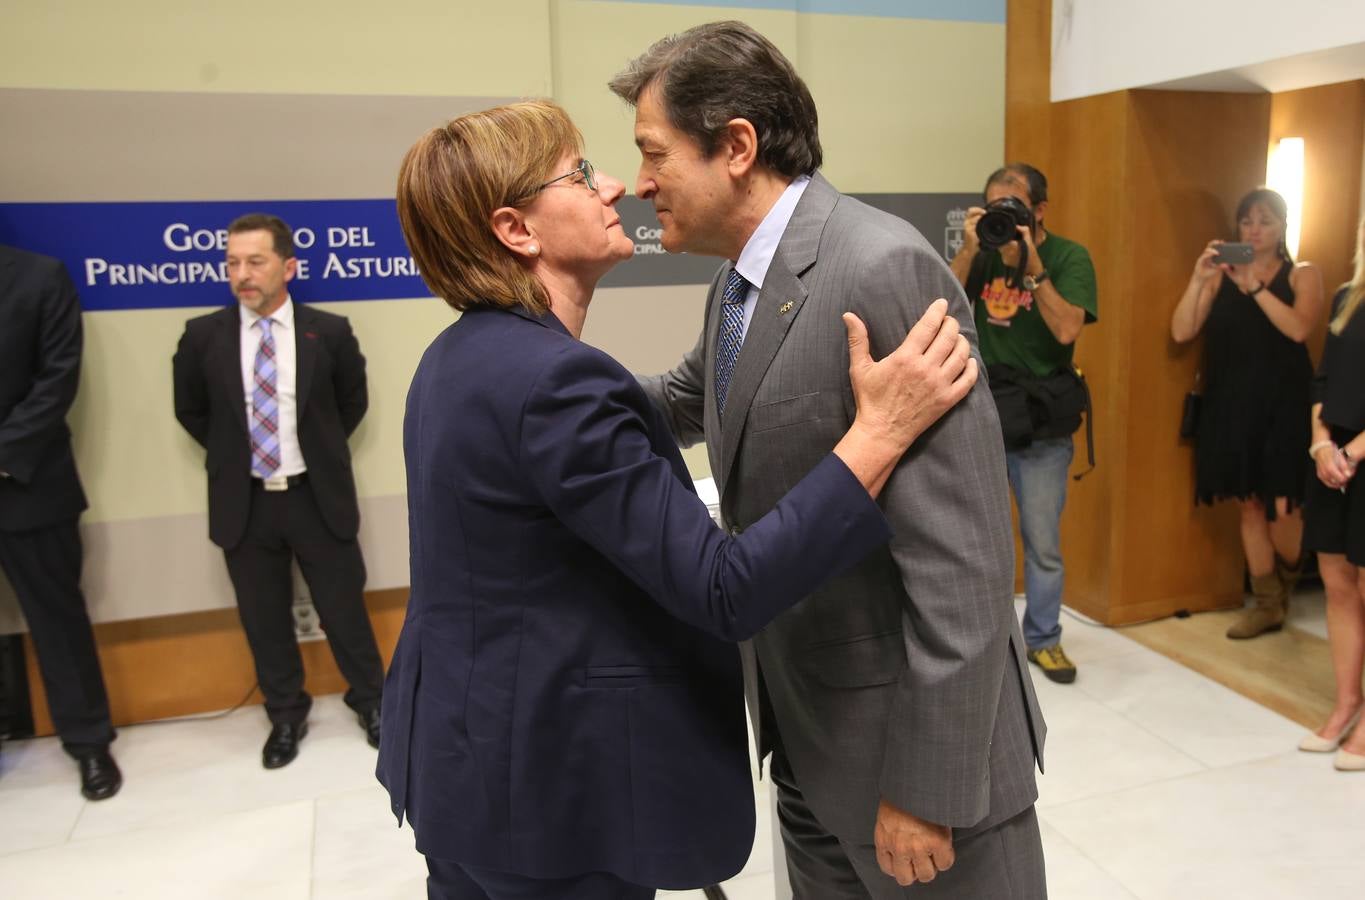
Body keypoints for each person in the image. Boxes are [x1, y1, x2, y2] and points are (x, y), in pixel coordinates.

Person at [376, 99, 978, 900]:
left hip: (466, 775)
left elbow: (614, 435)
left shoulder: (457, 358)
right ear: (517, 231)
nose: (617, 185)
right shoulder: (556, 380)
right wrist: (877, 433)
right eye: (582, 173)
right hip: (552, 800)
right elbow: (724, 590)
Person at [612, 22, 1047, 898]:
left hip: (912, 769)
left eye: (653, 153)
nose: (640, 183)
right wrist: (533, 362)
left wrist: (925, 791)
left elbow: (964, 564)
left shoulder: (879, 268)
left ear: (735, 146)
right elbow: (677, 403)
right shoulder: (740, 281)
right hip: (806, 739)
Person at [172, 214, 385, 768]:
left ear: (287, 266)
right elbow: (192, 411)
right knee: (264, 620)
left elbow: (350, 405)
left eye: (255, 261)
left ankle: (374, 703)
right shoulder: (202, 337)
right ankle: (285, 715)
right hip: (245, 501)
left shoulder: (329, 331)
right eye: (233, 263)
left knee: (344, 611)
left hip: (315, 495)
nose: (242, 274)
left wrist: (313, 451)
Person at [949, 163, 1098, 684]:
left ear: (1038, 210)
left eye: (1013, 205)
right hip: (983, 417)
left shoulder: (1068, 256)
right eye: (995, 205)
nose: (1004, 215)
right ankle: (982, 642)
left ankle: (1043, 640)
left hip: (1041, 425)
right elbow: (941, 303)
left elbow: (1066, 329)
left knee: (1042, 542)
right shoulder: (983, 252)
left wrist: (1031, 265)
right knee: (975, 541)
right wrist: (972, 247)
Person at [1171, 188, 1326, 639]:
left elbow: (1298, 328)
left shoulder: (1303, 274)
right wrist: (1201, 279)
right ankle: (1267, 603)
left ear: (1282, 229)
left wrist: (1254, 286)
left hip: (1285, 406)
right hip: (1232, 403)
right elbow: (1181, 330)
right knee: (1250, 505)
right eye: (1247, 222)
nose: (1255, 230)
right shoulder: (1220, 276)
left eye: (1266, 221)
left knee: (1284, 507)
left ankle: (1293, 574)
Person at [0, 245, 122, 800]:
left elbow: (57, 376)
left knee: (58, 622)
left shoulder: (39, 276)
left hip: (29, 484)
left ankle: (89, 743)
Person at [1300, 215, 1365, 771]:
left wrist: (1354, 452)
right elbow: (1322, 379)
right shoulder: (1348, 294)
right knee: (1338, 586)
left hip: (1358, 457)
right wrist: (1323, 444)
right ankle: (1347, 702)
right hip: (1335, 461)